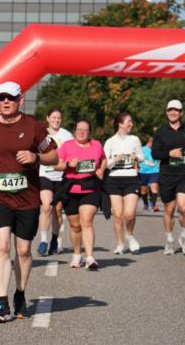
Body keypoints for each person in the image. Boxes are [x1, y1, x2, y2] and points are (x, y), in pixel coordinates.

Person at [0, 81, 58, 322]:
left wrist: (36, 156)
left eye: (11, 97)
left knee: (23, 249)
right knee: (1, 246)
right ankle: (1, 302)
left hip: (27, 196)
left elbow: (54, 156)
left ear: (20, 99)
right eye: (2, 98)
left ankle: (19, 294)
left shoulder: (34, 126)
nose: (6, 102)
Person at [151, 99, 185, 255]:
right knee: (169, 209)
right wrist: (169, 154)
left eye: (176, 110)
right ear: (166, 112)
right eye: (170, 110)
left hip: (184, 173)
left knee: (184, 208)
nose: (173, 113)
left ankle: (184, 237)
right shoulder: (161, 132)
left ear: (181, 112)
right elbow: (154, 153)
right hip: (166, 175)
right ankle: (170, 241)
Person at [56, 120, 105, 270]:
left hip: (90, 188)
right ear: (75, 130)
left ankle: (90, 258)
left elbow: (103, 159)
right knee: (75, 226)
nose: (81, 132)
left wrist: (101, 170)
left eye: (85, 130)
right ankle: (77, 255)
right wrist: (68, 164)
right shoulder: (67, 146)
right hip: (70, 189)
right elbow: (56, 164)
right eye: (79, 129)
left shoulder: (96, 145)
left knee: (86, 221)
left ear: (89, 132)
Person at [103, 112, 144, 254]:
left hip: (131, 179)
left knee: (130, 213)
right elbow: (104, 164)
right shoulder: (110, 142)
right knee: (118, 215)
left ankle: (130, 236)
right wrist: (115, 159)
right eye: (129, 121)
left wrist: (136, 157)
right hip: (114, 180)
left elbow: (142, 156)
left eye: (131, 122)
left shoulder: (134, 139)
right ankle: (120, 244)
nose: (131, 124)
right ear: (120, 123)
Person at [37, 108, 73, 256]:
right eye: (53, 117)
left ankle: (54, 239)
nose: (56, 120)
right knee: (46, 207)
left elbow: (72, 153)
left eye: (59, 118)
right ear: (47, 118)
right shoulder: (41, 134)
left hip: (61, 176)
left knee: (57, 211)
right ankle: (43, 241)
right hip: (44, 175)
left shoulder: (66, 135)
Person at [138, 136, 160, 212]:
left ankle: (153, 205)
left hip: (154, 171)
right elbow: (136, 158)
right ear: (149, 142)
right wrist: (136, 167)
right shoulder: (142, 149)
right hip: (143, 172)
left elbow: (160, 159)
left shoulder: (157, 150)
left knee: (154, 189)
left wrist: (159, 166)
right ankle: (145, 204)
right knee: (143, 191)